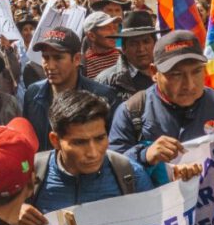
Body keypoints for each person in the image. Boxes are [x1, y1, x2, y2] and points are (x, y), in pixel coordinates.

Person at [108, 30, 214, 176]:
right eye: (176, 75)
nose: (189, 85)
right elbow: (111, 169)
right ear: (154, 72)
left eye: (197, 71)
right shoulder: (132, 111)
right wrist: (144, 156)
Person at [24, 91, 156, 215]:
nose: (93, 153)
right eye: (80, 142)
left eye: (99, 138)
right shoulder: (30, 174)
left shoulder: (131, 175)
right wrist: (15, 215)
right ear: (55, 141)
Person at [23, 28, 116, 151]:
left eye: (58, 58)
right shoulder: (32, 93)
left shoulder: (102, 96)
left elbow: (112, 146)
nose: (50, 66)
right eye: (46, 57)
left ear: (77, 59)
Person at [95, 10, 158, 106]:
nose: (141, 49)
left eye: (146, 42)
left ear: (155, 43)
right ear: (124, 48)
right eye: (134, 44)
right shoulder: (105, 82)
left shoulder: (168, 74)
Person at [81, 10, 120, 79]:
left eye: (114, 28)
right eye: (108, 28)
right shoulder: (83, 65)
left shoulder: (123, 56)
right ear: (91, 36)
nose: (114, 32)